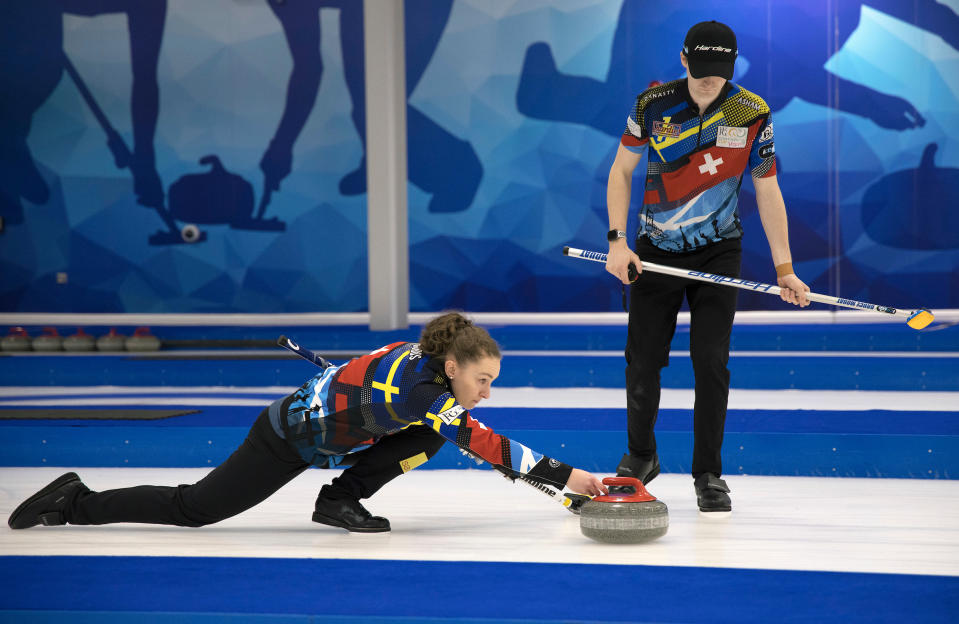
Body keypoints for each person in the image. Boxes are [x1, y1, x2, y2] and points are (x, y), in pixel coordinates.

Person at [8, 312, 607, 533]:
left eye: (492, 383)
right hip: (283, 438)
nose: (486, 391)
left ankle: (340, 500)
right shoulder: (428, 390)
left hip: (332, 435)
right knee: (196, 510)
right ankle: (75, 502)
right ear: (452, 367)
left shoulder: (422, 362)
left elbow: (389, 386)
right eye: (482, 380)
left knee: (429, 439)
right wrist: (572, 477)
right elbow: (484, 442)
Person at [604, 21, 810, 513]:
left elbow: (767, 189)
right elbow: (621, 170)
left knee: (711, 363)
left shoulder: (752, 112)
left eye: (717, 75)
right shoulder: (651, 106)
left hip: (720, 251)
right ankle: (640, 455)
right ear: (683, 60)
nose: (707, 83)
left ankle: (709, 473)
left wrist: (785, 269)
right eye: (699, 73)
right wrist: (616, 242)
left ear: (731, 68)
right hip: (653, 251)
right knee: (643, 360)